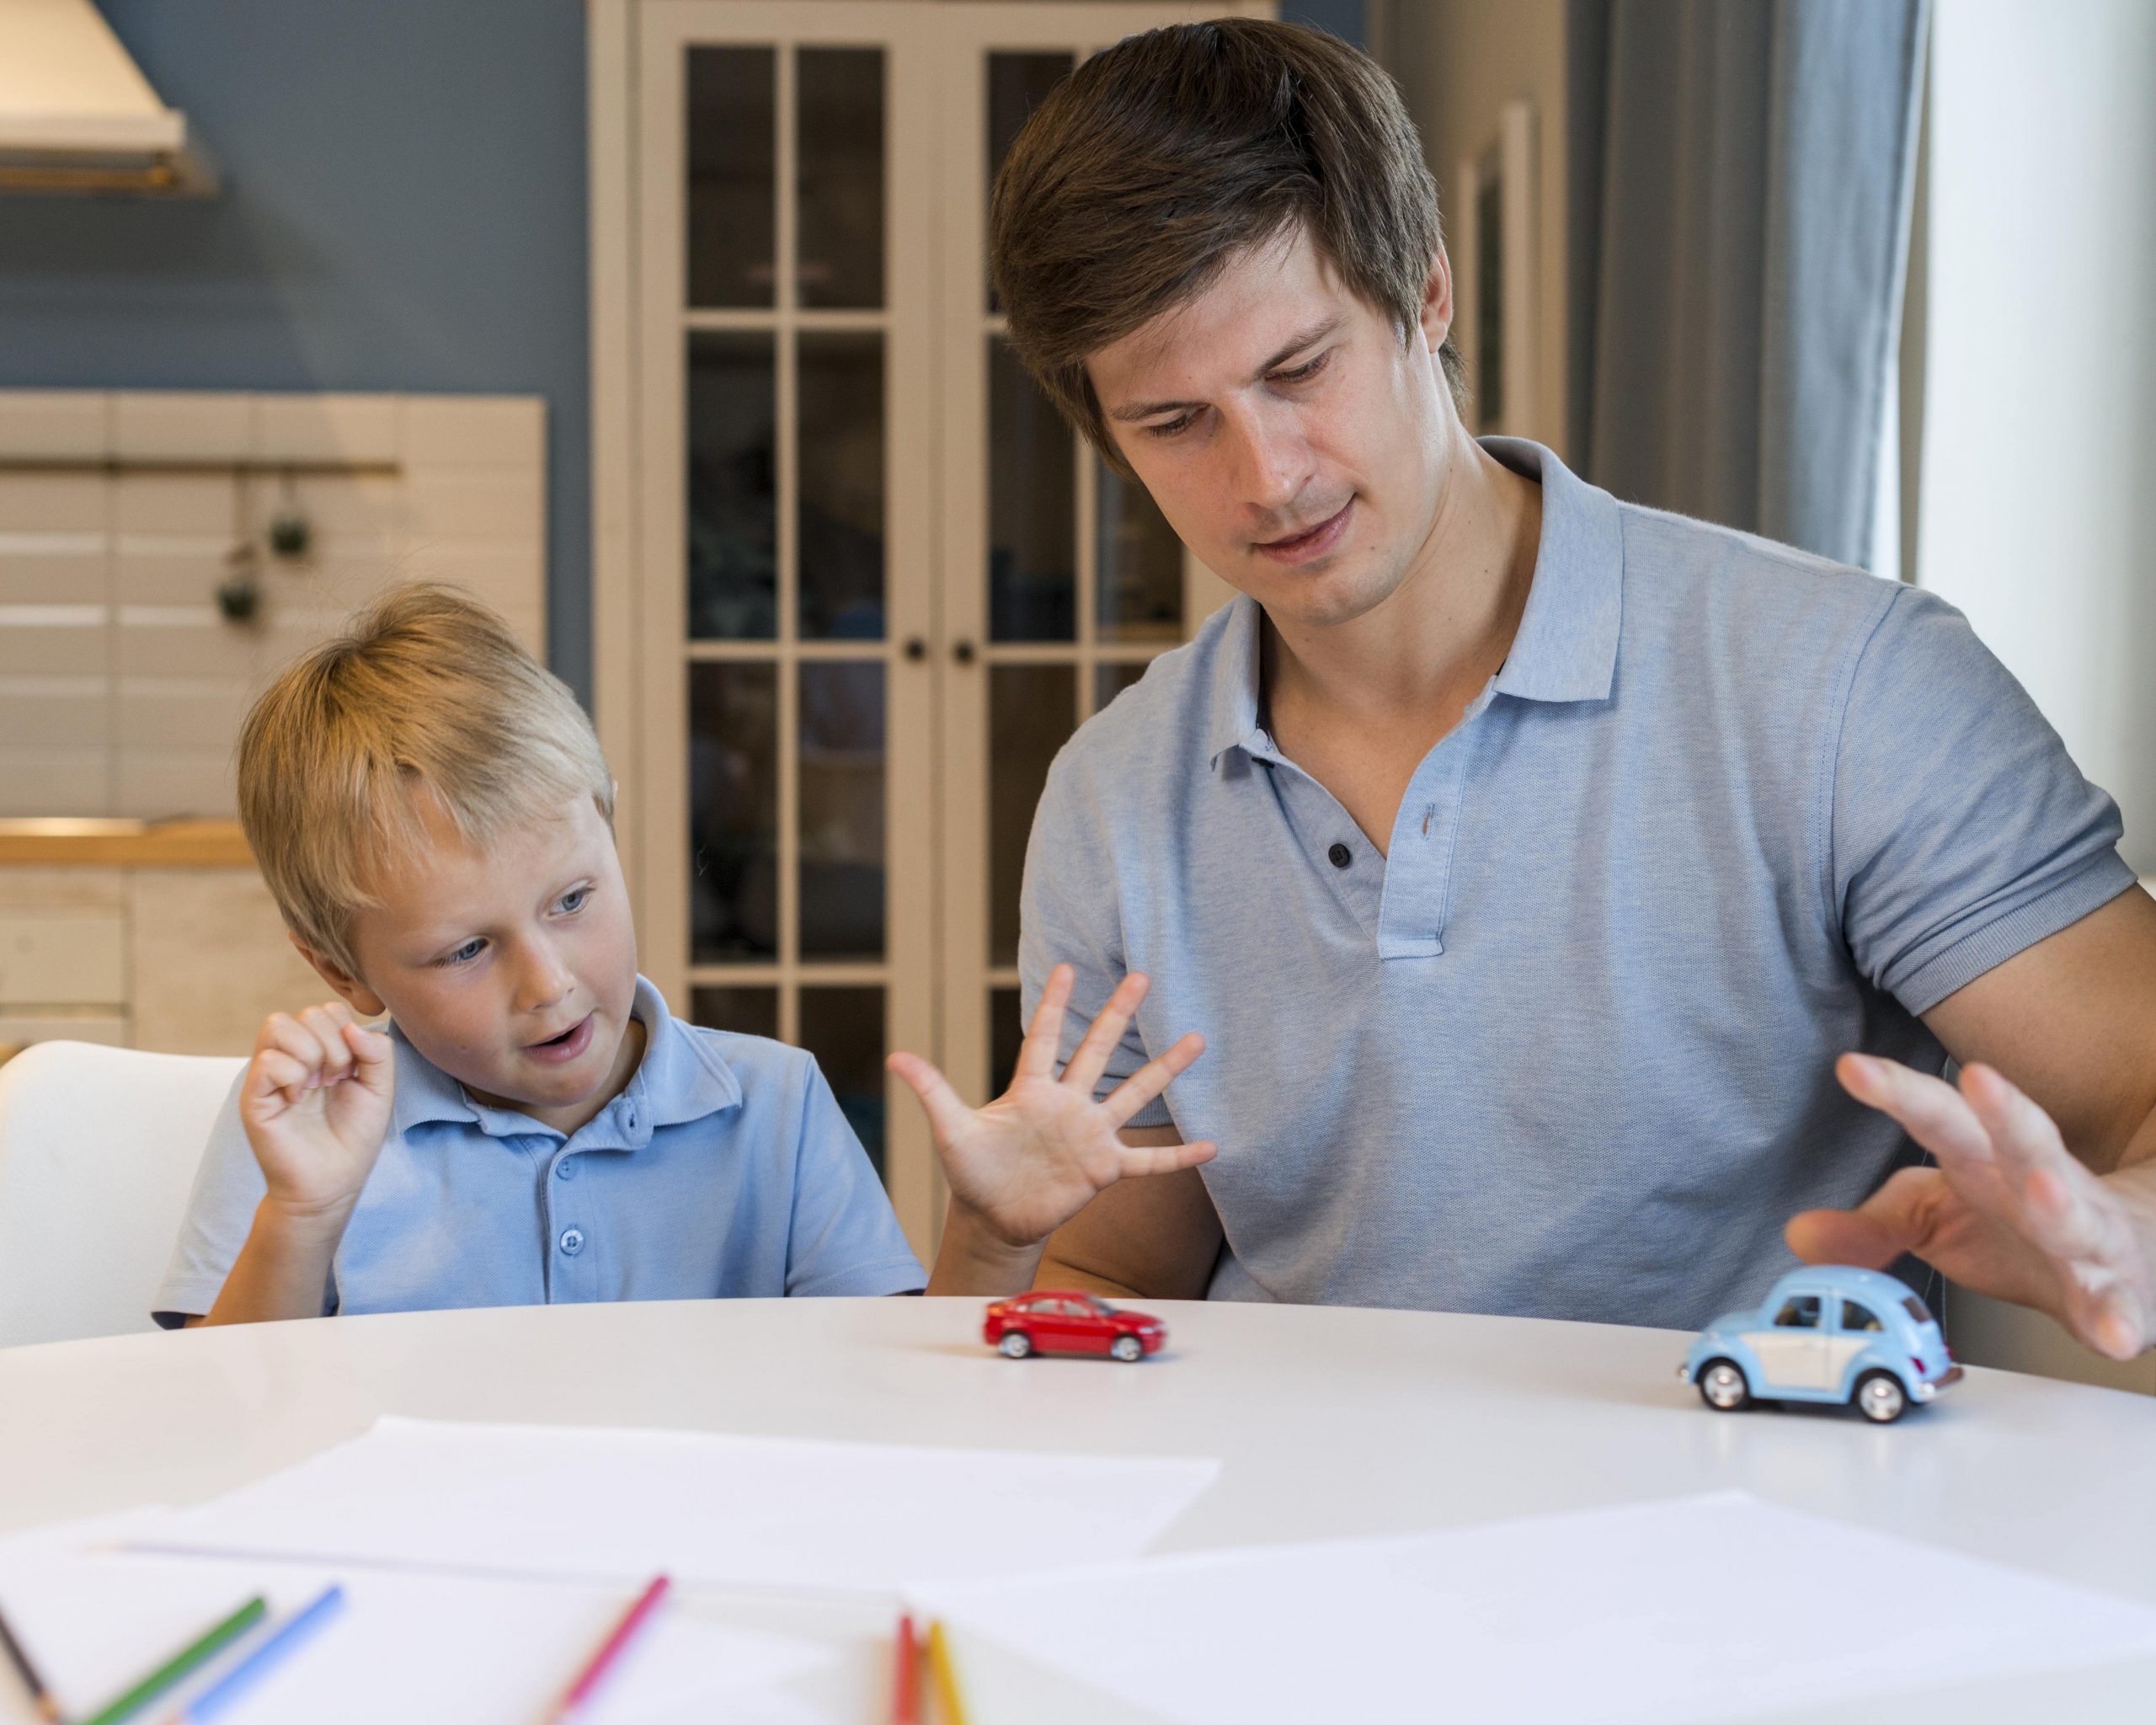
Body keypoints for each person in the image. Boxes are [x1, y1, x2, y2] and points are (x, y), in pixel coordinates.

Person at [893, 19, 2156, 1358]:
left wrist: (2127, 1228)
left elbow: (2136, 1092)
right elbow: (1121, 1268)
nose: (1266, 476)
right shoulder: (1112, 793)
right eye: (1174, 423)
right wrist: (995, 1254)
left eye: (1299, 370)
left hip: (1732, 1522)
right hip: (1286, 1529)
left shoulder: (1845, 687)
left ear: (1426, 295)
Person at [155, 585, 1191, 1324]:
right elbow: (224, 1435)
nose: (548, 981)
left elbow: (899, 1425)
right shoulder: (304, 1136)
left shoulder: (776, 1108)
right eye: (466, 947)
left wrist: (992, 1237)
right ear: (342, 970)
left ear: (611, 829)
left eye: (572, 899)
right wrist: (304, 1212)